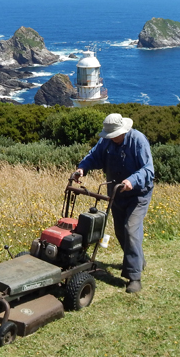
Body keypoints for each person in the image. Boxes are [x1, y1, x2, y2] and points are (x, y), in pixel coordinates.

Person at [72, 113, 154, 293]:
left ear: (123, 131)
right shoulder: (107, 141)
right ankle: (137, 260)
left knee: (130, 229)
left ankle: (134, 277)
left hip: (138, 194)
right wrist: (82, 168)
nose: (110, 138)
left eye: (113, 135)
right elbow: (94, 156)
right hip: (116, 193)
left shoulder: (138, 140)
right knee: (120, 231)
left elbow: (148, 170)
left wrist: (132, 180)